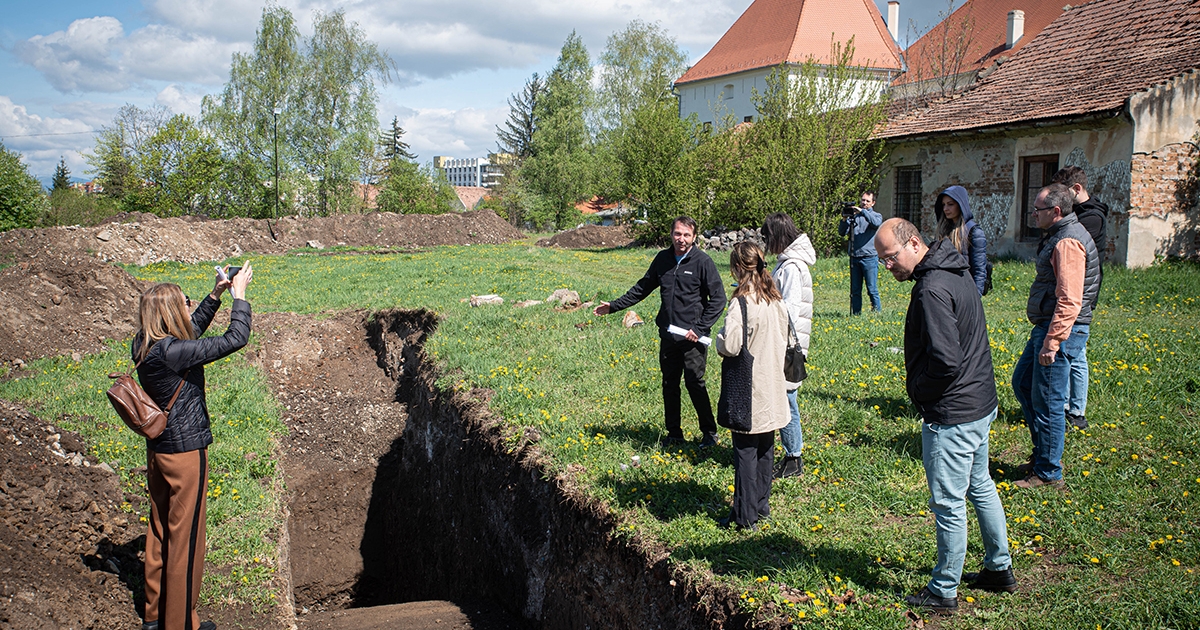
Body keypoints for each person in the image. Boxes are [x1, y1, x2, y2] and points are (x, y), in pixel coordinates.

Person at [874, 218, 1015, 612]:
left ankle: (943, 589)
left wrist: (920, 392)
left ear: (913, 243)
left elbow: (946, 361)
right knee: (980, 484)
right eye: (882, 260)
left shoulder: (931, 289)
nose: (888, 266)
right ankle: (998, 567)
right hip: (980, 402)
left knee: (948, 503)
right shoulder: (955, 269)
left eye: (890, 257)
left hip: (953, 413)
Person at [134, 262, 254, 630]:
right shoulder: (173, 352)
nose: (190, 304)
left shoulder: (145, 343)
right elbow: (235, 339)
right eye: (185, 301)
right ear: (172, 313)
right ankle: (181, 623)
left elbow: (191, 331)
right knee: (186, 540)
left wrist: (215, 295)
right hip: (185, 454)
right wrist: (239, 297)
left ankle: (155, 615)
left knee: (159, 530)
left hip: (159, 452)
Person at [594, 217, 727, 447]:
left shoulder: (703, 262)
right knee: (669, 384)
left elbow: (718, 299)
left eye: (686, 235)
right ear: (671, 234)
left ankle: (709, 433)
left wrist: (699, 328)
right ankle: (674, 434)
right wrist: (614, 306)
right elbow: (642, 288)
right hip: (668, 336)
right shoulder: (663, 259)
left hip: (692, 338)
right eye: (677, 234)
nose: (681, 239)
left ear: (694, 237)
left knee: (695, 383)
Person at [1011, 184, 1100, 489]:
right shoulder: (1060, 235)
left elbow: (1070, 299)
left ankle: (1048, 472)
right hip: (1047, 327)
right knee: (1023, 383)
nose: (1033, 214)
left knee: (1048, 401)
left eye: (1038, 210)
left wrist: (1053, 340)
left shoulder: (1067, 242)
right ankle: (1043, 455)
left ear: (1056, 211)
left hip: (1058, 331)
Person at [715, 242, 790, 530]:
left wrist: (719, 339)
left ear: (737, 268)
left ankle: (745, 516)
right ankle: (761, 506)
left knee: (745, 451)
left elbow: (731, 346)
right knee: (765, 449)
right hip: (774, 382)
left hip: (749, 387)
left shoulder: (742, 302)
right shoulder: (775, 299)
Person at [1050, 166, 1108, 429]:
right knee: (1071, 352)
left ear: (1076, 189)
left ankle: (1075, 410)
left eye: (1063, 192)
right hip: (1073, 290)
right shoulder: (1079, 216)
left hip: (1081, 292)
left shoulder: (1091, 218)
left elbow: (1074, 255)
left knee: (1074, 355)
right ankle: (1066, 406)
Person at [761, 212, 816, 478]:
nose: (766, 244)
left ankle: (794, 457)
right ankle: (787, 453)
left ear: (777, 236)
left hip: (787, 344)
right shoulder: (786, 263)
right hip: (784, 341)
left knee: (786, 399)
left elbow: (789, 311)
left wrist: (775, 340)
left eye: (767, 238)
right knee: (783, 397)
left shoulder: (792, 267)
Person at [935, 186, 988, 296]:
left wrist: (975, 298)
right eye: (943, 205)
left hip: (965, 291)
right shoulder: (944, 231)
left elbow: (979, 271)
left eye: (950, 204)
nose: (945, 209)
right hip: (945, 290)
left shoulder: (974, 232)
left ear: (961, 205)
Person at [838, 191, 883, 314]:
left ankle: (877, 313)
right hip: (855, 257)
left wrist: (862, 212)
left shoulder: (876, 215)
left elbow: (876, 223)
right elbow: (842, 232)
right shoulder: (854, 217)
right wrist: (844, 219)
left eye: (868, 201)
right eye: (863, 200)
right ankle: (856, 314)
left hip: (869, 257)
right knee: (855, 290)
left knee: (872, 289)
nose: (864, 203)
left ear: (873, 203)